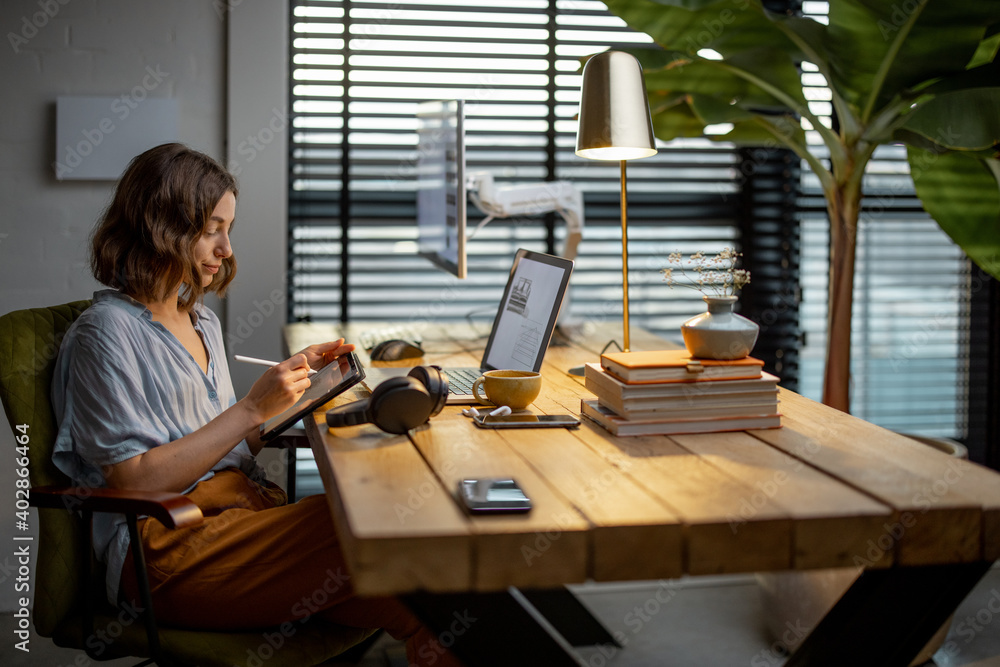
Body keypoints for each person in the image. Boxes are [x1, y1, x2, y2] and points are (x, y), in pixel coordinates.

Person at [51, 142, 461, 667]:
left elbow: (226, 445)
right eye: (211, 229)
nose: (226, 248)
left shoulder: (200, 320)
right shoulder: (105, 335)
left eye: (229, 228)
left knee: (435, 599)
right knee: (373, 523)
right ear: (163, 225)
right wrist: (249, 409)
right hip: (164, 548)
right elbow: (133, 483)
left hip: (237, 514)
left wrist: (292, 391)